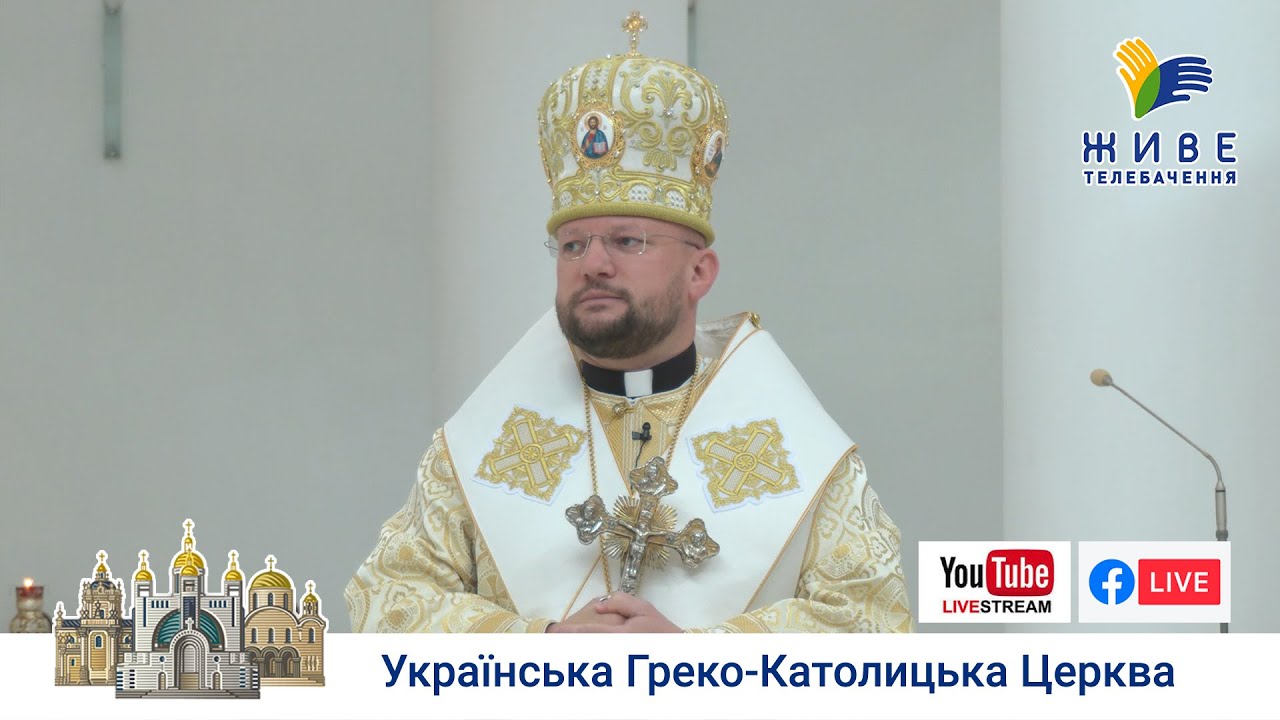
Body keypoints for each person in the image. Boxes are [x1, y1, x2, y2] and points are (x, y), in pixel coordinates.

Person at [344, 16, 912, 634]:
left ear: (700, 272)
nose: (593, 264)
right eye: (572, 245)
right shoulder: (477, 444)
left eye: (627, 240)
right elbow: (385, 604)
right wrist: (541, 646)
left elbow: (874, 624)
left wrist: (698, 661)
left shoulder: (801, 446)